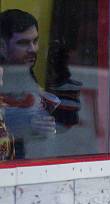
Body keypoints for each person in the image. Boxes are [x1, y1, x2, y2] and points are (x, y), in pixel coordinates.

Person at [0, 9, 58, 159]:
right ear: (2, 46)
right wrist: (28, 125)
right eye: (23, 43)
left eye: (35, 41)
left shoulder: (25, 71)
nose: (33, 49)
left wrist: (44, 126)